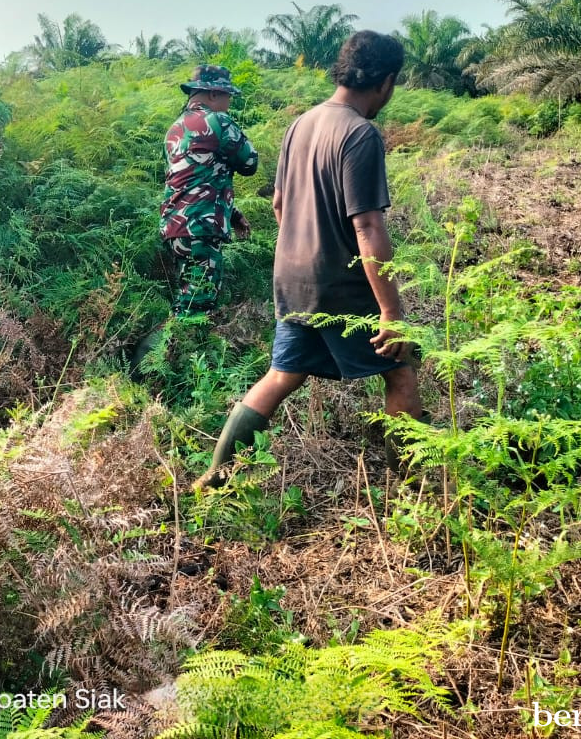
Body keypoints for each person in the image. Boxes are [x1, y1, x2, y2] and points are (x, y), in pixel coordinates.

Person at [193, 31, 423, 490]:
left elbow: (279, 204)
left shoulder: (302, 123)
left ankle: (214, 479)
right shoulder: (359, 133)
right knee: (400, 369)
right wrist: (392, 312)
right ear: (387, 81)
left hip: (292, 279)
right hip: (338, 283)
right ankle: (414, 495)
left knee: (282, 374)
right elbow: (368, 228)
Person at [160, 64, 259, 316]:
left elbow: (193, 180)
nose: (229, 104)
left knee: (188, 296)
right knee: (197, 307)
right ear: (214, 93)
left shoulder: (174, 129)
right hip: (201, 229)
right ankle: (176, 353)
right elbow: (250, 163)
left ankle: (171, 350)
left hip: (176, 227)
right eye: (228, 97)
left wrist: (234, 214)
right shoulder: (217, 121)